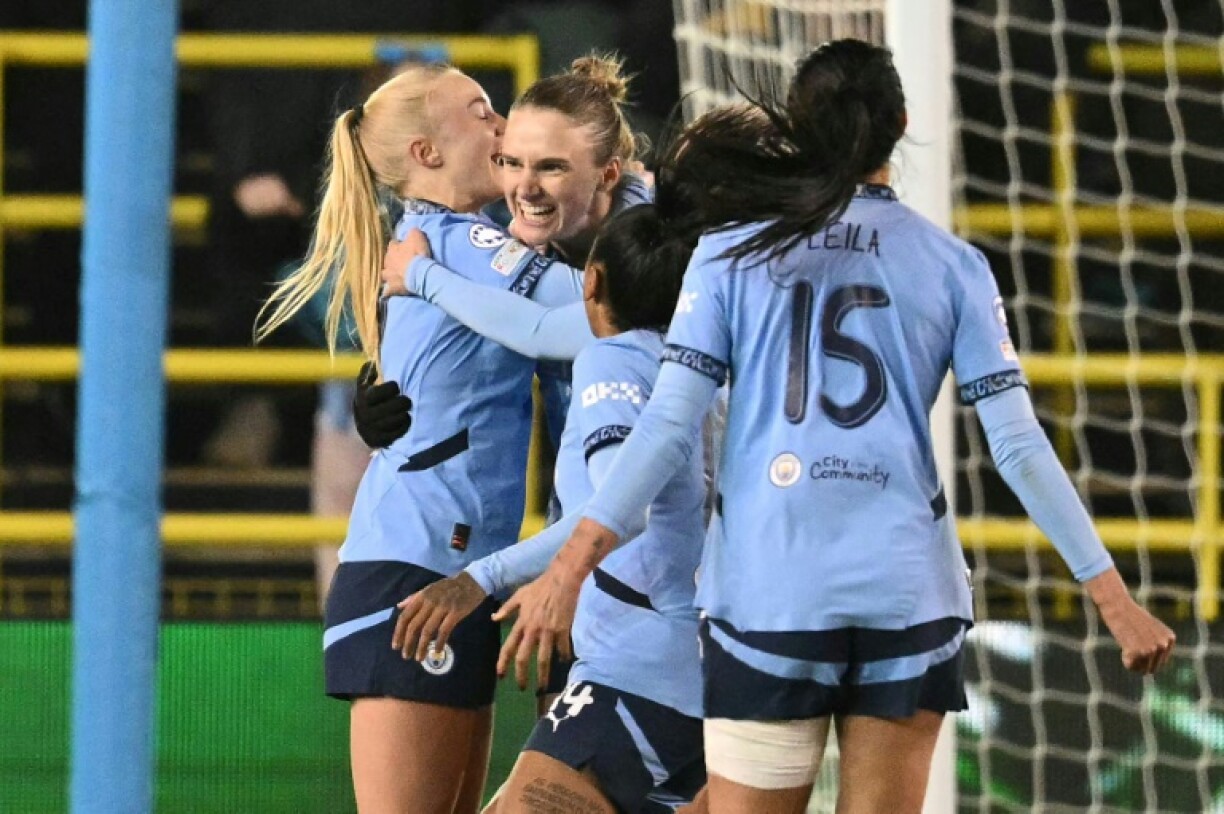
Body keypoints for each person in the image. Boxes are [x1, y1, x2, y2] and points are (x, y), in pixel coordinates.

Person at [494, 39, 1177, 814]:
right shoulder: (953, 264)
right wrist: (1112, 597)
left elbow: (666, 430)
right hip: (906, 598)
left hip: (770, 598)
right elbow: (1017, 445)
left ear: (801, 126)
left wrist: (569, 566)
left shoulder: (729, 255)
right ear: (903, 124)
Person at [255, 63, 580, 814]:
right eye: (482, 114)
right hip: (415, 572)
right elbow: (596, 304)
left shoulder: (448, 243)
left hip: (457, 569)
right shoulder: (457, 244)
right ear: (429, 153)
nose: (505, 129)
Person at [390, 201, 709, 814]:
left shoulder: (615, 357)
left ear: (592, 282)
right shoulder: (712, 369)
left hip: (635, 674)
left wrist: (483, 577)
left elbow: (615, 504)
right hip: (714, 676)